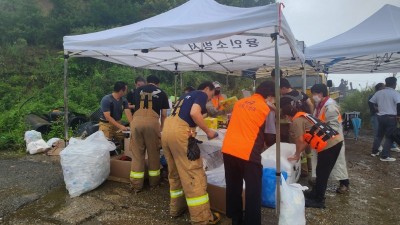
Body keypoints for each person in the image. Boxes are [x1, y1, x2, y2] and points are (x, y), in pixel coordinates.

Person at [161, 81, 220, 225]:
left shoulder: (185, 96)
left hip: (166, 132)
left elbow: (191, 113)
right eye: (212, 94)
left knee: (174, 172)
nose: (211, 97)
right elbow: (194, 113)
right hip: (181, 133)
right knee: (193, 172)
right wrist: (208, 131)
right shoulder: (200, 94)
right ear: (207, 89)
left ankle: (176, 208)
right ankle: (202, 218)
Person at [222, 81, 275, 225]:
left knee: (233, 187)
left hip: (229, 149)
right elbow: (270, 136)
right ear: (270, 96)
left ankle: (235, 218)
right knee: (253, 190)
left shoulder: (240, 102)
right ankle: (252, 221)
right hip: (248, 153)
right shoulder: (266, 109)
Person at [283, 104, 343, 209]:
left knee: (322, 173)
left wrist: (297, 154)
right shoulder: (304, 115)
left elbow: (300, 141)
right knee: (320, 171)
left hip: (329, 144)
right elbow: (307, 139)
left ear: (287, 116)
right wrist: (298, 154)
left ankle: (319, 200)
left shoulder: (296, 121)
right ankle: (315, 193)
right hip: (334, 140)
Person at [129, 75, 170, 192]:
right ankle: (154, 183)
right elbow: (164, 115)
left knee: (137, 155)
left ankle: (136, 185)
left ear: (147, 82)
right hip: (153, 124)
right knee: (153, 154)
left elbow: (128, 107)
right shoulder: (162, 93)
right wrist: (161, 129)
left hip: (136, 122)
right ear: (157, 84)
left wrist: (132, 122)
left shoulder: (136, 90)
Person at [311, 84, 349, 194]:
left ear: (320, 94)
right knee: (323, 165)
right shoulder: (320, 105)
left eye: (314, 94)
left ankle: (344, 183)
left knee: (338, 163)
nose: (313, 96)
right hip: (324, 139)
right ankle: (319, 183)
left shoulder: (330, 106)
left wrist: (319, 130)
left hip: (333, 140)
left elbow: (334, 126)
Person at [280, 77, 314, 177]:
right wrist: (310, 117)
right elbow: (310, 104)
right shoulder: (301, 93)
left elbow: (281, 112)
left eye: (279, 89)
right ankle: (309, 167)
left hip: (295, 123)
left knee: (298, 145)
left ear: (283, 88)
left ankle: (302, 170)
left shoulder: (284, 99)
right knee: (307, 145)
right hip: (306, 120)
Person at [369, 77, 400, 161]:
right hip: (391, 117)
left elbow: (371, 102)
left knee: (379, 135)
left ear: (386, 83)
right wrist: (398, 115)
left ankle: (374, 152)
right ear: (394, 84)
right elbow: (399, 104)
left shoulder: (379, 93)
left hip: (380, 117)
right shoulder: (395, 93)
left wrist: (376, 109)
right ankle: (385, 156)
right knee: (390, 137)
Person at [99, 81, 132, 147]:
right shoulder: (106, 99)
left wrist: (133, 124)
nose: (126, 92)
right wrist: (120, 126)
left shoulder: (124, 100)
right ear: (121, 91)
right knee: (105, 144)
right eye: (126, 90)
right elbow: (107, 117)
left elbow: (128, 112)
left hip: (118, 123)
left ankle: (123, 153)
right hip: (106, 124)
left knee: (125, 138)